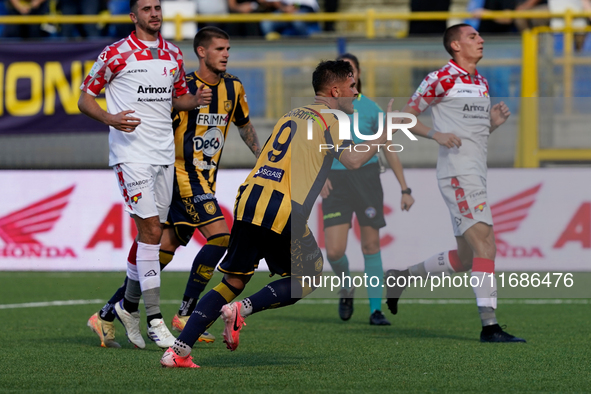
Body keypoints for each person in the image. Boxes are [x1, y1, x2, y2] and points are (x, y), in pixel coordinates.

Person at [159, 59, 397, 368]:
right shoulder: (334, 119)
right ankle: (240, 310)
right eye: (352, 87)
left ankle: (177, 351)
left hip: (249, 199)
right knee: (309, 276)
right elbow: (352, 160)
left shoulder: (293, 114)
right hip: (282, 207)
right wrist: (384, 134)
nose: (355, 92)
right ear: (335, 90)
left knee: (231, 280)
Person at [84, 26, 260, 349]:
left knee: (158, 255)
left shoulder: (233, 88)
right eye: (220, 49)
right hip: (179, 175)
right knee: (221, 236)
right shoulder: (183, 89)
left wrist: (263, 160)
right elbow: (158, 120)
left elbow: (244, 125)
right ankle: (184, 313)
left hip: (204, 180)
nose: (226, 54)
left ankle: (109, 312)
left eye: (228, 49)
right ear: (202, 52)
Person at [78, 0, 212, 349]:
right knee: (152, 231)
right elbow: (85, 98)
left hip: (164, 155)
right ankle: (155, 319)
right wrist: (110, 118)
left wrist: (195, 100)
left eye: (158, 7)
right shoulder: (116, 53)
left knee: (148, 238)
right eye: (147, 8)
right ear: (133, 16)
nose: (155, 13)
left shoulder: (173, 54)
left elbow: (176, 99)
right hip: (131, 155)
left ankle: (126, 308)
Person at [385, 24, 526, 343]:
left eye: (480, 36)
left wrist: (491, 124)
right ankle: (490, 326)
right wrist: (435, 134)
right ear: (455, 45)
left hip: (475, 172)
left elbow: (467, 136)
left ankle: (400, 278)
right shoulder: (441, 78)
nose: (481, 40)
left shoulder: (480, 81)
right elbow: (403, 117)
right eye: (473, 37)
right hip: (459, 175)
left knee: (465, 258)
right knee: (486, 244)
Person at [321, 53, 415, 326]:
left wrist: (404, 188)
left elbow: (388, 147)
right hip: (336, 181)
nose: (347, 76)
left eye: (350, 71)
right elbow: (316, 147)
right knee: (335, 252)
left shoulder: (371, 108)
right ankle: (346, 287)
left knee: (371, 244)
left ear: (358, 75)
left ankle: (376, 309)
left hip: (367, 177)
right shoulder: (326, 109)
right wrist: (320, 175)